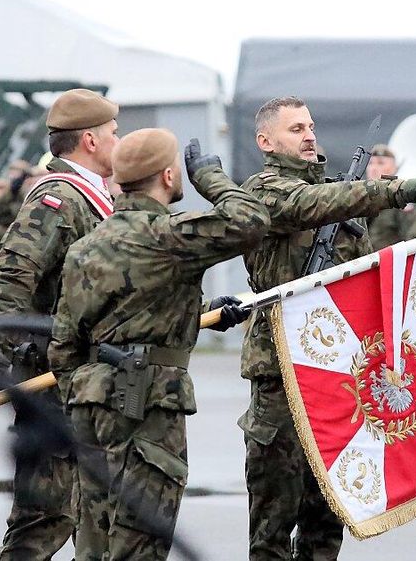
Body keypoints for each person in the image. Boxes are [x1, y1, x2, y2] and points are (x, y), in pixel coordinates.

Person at [239, 96, 416, 560]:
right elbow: (307, 205)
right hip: (281, 370)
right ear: (266, 142)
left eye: (310, 126)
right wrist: (392, 191)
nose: (309, 135)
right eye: (296, 129)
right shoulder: (261, 190)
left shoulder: (342, 197)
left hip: (339, 372)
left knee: (327, 514)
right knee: (273, 517)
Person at [50, 129, 268, 560]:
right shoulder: (168, 235)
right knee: (140, 541)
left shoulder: (87, 245)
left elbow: (65, 343)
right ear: (168, 175)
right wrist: (210, 178)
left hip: (88, 403)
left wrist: (199, 312)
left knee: (93, 541)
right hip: (147, 401)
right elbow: (251, 220)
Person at [0, 88, 120, 560]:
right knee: (44, 520)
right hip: (55, 383)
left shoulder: (97, 198)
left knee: (98, 524)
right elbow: (10, 279)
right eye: (113, 133)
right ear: (90, 140)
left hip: (90, 384)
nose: (118, 141)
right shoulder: (57, 199)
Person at [365, 144, 412, 249]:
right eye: (370, 163)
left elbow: (410, 237)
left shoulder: (401, 199)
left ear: (394, 168)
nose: (373, 168)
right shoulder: (360, 198)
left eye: (380, 163)